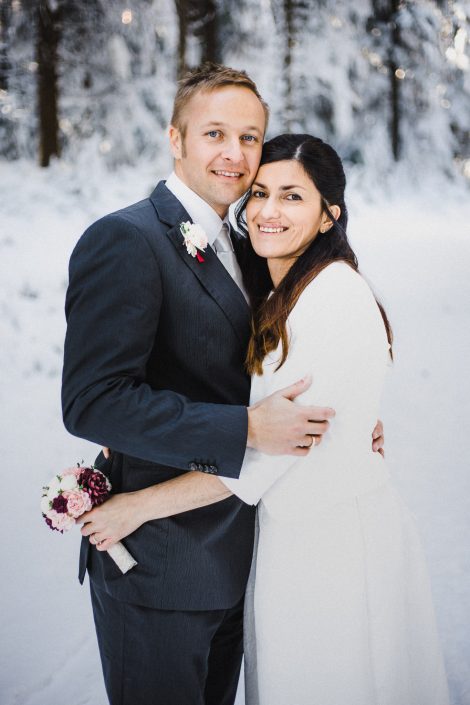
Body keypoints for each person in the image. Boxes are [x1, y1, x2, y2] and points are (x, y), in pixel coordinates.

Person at [84, 134, 449, 705]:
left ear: (331, 215)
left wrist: (136, 507)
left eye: (292, 197)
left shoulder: (334, 297)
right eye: (259, 193)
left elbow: (262, 456)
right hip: (286, 542)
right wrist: (131, 424)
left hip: (333, 549)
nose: (268, 211)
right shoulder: (280, 288)